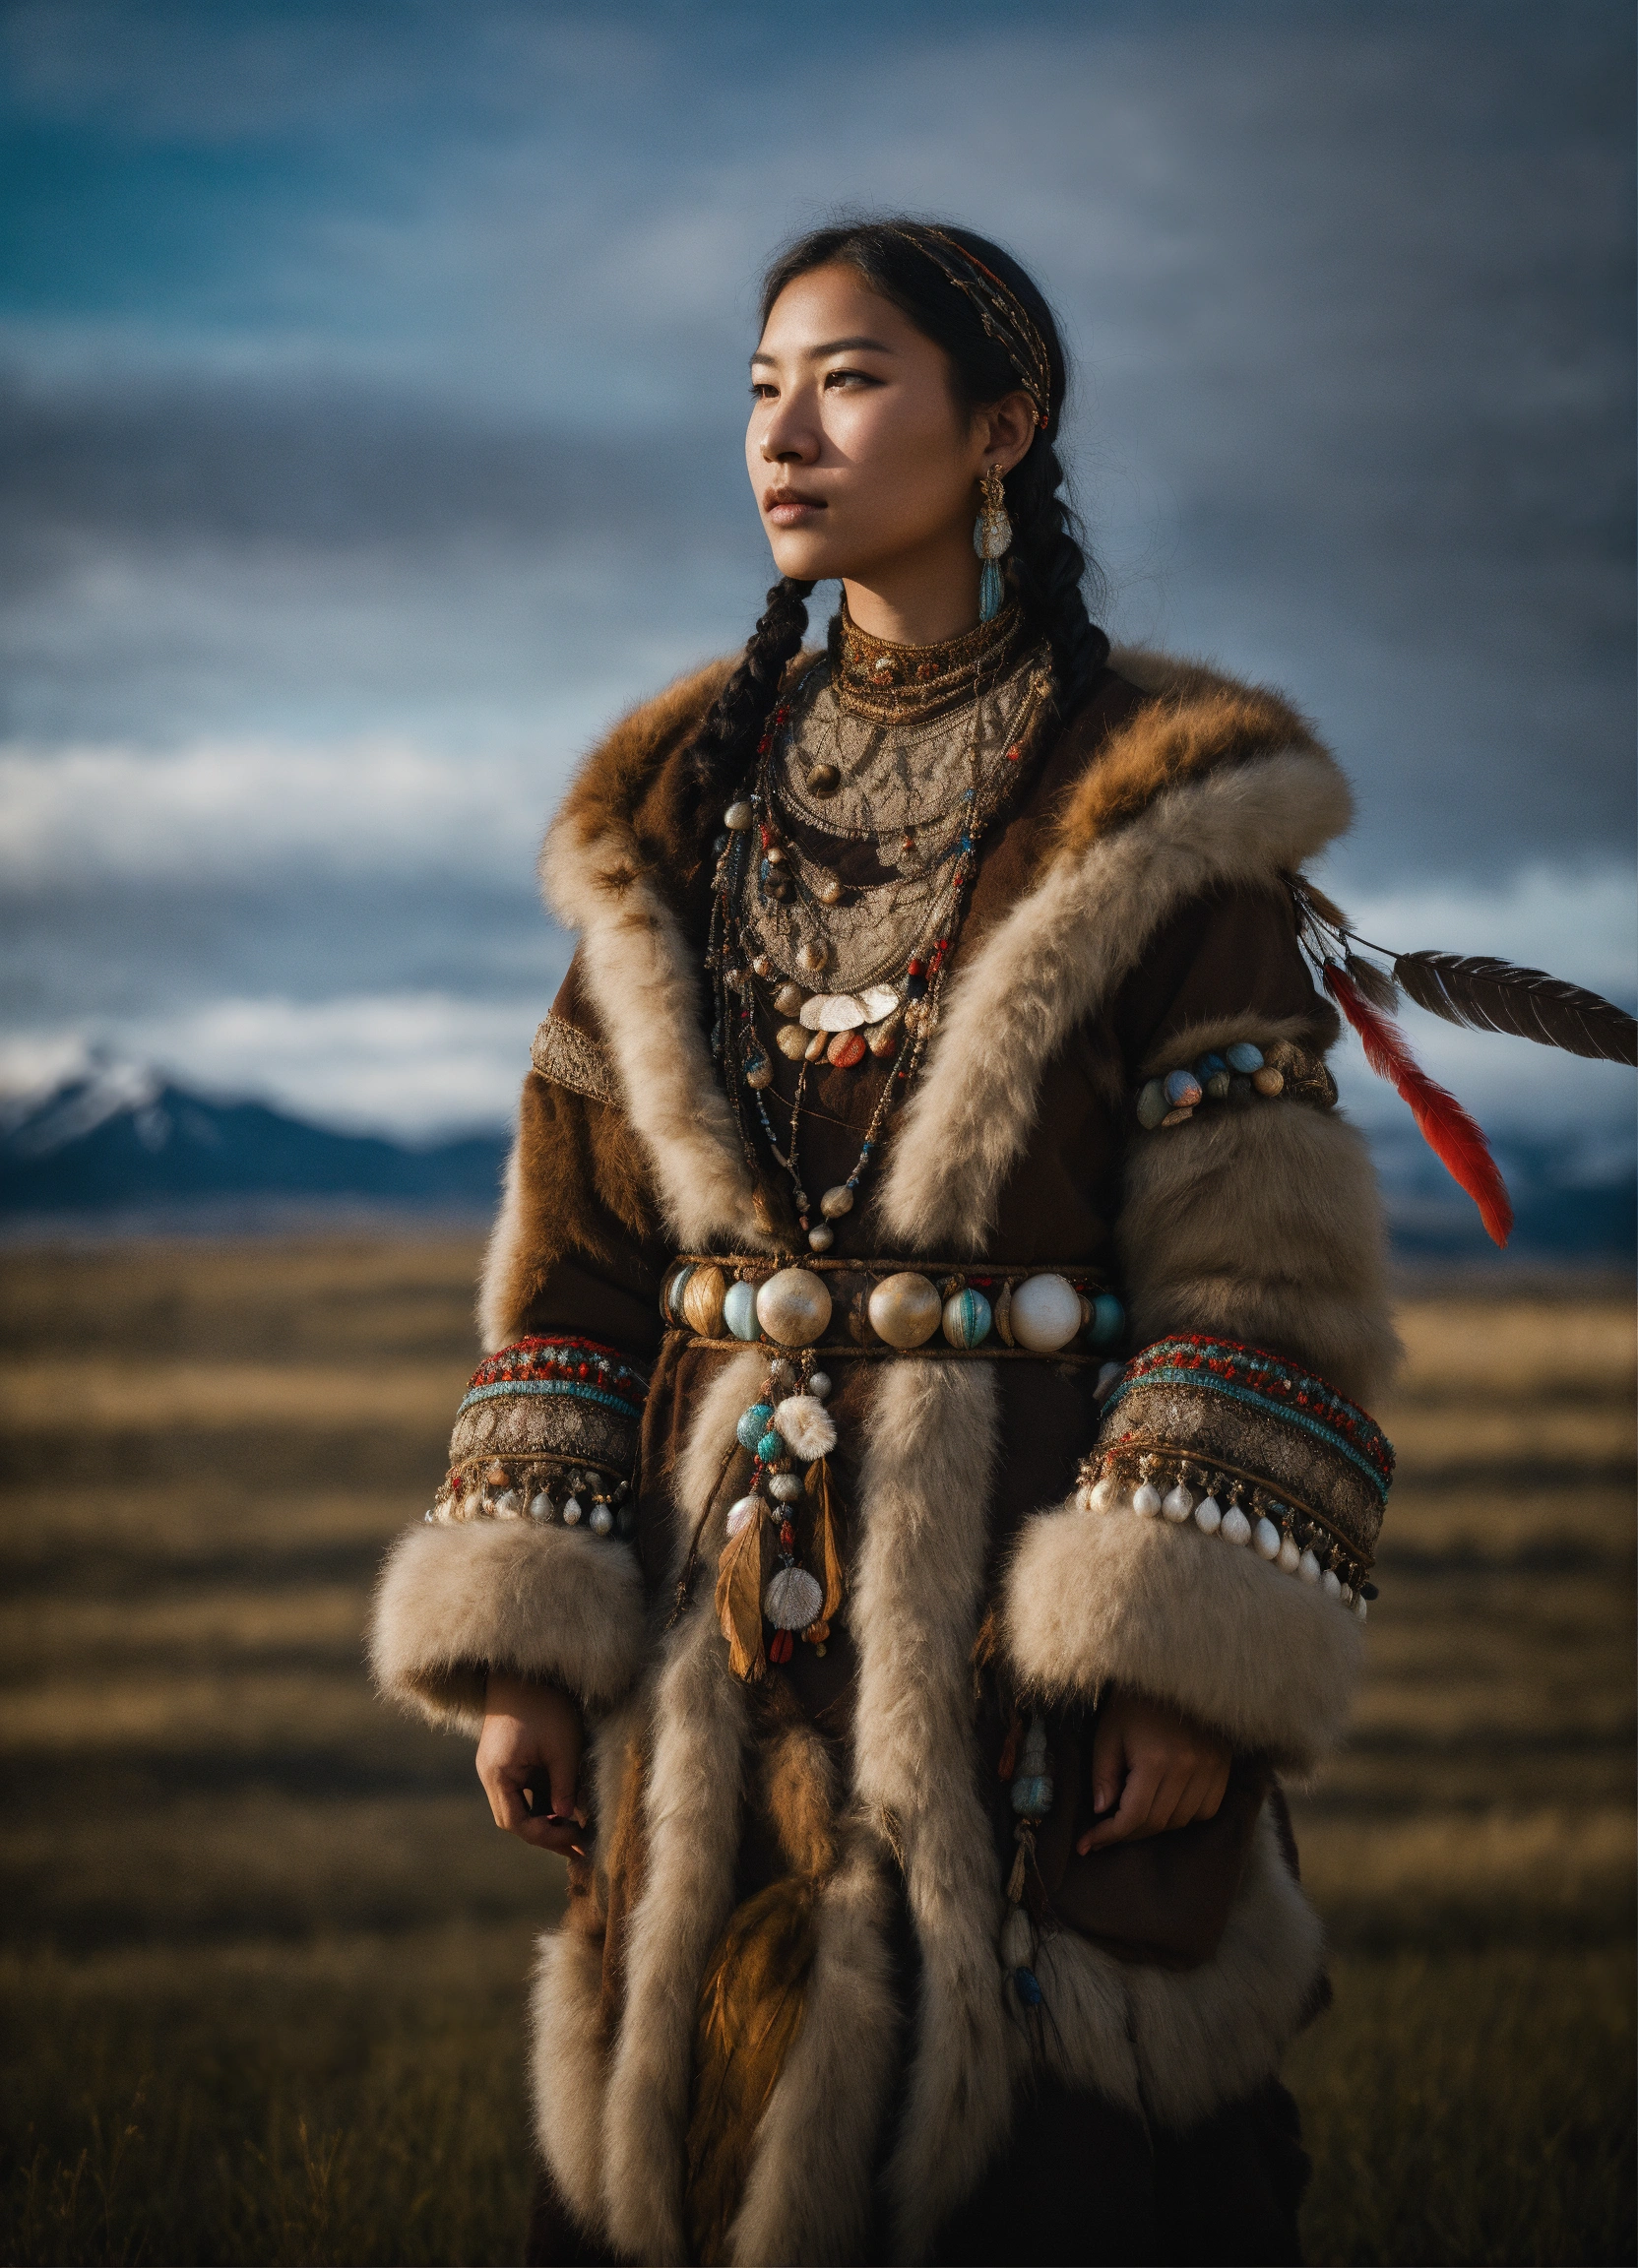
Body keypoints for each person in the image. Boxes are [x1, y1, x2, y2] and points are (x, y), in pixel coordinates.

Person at [370, 218, 1402, 2266]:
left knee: (1075, 2190)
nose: (786, 432)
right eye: (761, 387)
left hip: (1027, 1643)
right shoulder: (679, 805)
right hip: (714, 1643)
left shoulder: (1159, 809)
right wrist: (524, 1646)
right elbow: (580, 1259)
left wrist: (1180, 1658)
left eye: (848, 380)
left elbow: (1258, 1274)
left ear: (1000, 426)